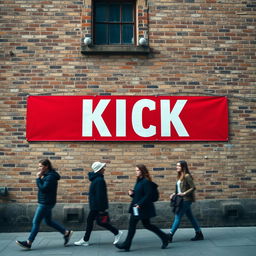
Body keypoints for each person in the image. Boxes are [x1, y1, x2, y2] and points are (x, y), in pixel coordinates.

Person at [16, 159, 73, 249]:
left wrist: (38, 178)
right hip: (46, 201)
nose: (39, 168)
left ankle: (29, 242)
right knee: (48, 221)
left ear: (46, 167)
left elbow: (43, 189)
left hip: (45, 203)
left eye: (41, 166)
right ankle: (66, 233)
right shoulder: (47, 175)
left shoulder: (50, 177)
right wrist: (41, 177)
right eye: (39, 166)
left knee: (36, 222)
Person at [115, 164, 169, 251]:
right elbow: (140, 195)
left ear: (142, 171)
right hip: (138, 207)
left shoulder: (146, 181)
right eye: (135, 170)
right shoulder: (139, 181)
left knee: (133, 225)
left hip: (141, 208)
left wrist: (139, 204)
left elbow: (148, 195)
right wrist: (132, 194)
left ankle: (127, 244)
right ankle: (165, 237)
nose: (136, 172)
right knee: (147, 225)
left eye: (138, 170)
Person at [74, 161, 123, 246]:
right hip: (96, 206)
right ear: (99, 170)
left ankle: (116, 232)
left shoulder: (97, 179)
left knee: (96, 221)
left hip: (96, 206)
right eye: (102, 168)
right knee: (97, 222)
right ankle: (116, 232)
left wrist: (100, 208)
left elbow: (100, 196)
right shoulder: (99, 180)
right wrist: (101, 208)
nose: (104, 169)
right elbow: (100, 196)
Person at [168, 160, 204, 242]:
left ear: (183, 167)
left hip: (186, 200)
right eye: (176, 165)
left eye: (179, 166)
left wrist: (184, 193)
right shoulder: (180, 176)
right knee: (190, 216)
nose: (177, 167)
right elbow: (179, 189)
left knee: (178, 216)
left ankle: (170, 235)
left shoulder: (187, 176)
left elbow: (193, 187)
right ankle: (199, 233)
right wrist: (174, 193)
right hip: (181, 199)